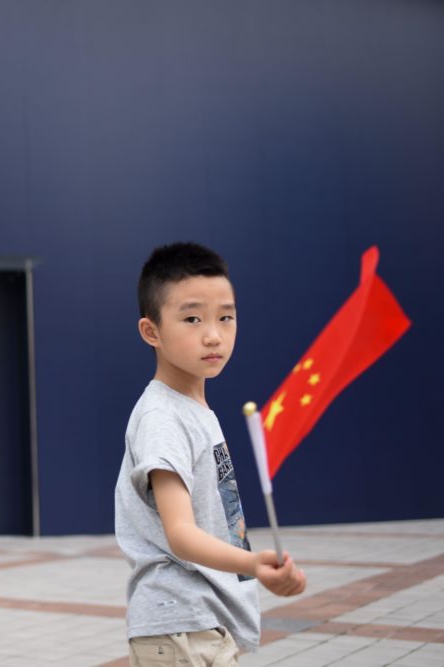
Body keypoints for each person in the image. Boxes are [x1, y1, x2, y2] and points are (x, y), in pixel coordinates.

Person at [114, 243, 307, 665]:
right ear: (152, 332)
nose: (213, 334)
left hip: (201, 621)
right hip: (180, 621)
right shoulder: (162, 418)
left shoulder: (193, 410)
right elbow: (180, 533)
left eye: (226, 317)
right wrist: (255, 563)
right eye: (192, 318)